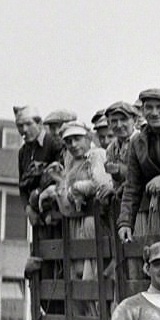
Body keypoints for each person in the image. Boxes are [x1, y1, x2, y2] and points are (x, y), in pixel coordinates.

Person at [46, 123, 111, 299]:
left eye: (77, 139)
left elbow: (101, 183)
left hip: (95, 221)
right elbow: (67, 203)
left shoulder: (97, 155)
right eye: (68, 141)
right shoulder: (70, 163)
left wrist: (78, 188)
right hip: (76, 223)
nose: (73, 144)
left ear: (88, 138)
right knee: (78, 270)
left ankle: (100, 315)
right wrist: (60, 184)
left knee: (95, 270)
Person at [117, 88, 160, 245]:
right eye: (149, 107)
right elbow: (132, 185)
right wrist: (125, 222)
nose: (154, 113)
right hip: (155, 211)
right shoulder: (137, 142)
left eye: (159, 107)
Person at [14, 105, 64, 221]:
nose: (24, 129)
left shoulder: (53, 143)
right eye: (20, 126)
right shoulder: (23, 152)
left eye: (28, 124)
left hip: (56, 212)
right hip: (36, 215)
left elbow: (60, 177)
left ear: (39, 124)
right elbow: (22, 186)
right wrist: (28, 209)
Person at [102, 101, 139, 202]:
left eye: (124, 119)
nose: (119, 125)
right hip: (122, 203)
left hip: (143, 203)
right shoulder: (111, 148)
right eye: (114, 121)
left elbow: (144, 174)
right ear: (108, 123)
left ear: (135, 120)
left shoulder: (143, 141)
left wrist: (120, 170)